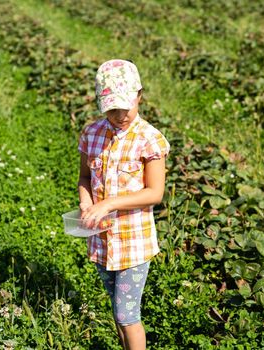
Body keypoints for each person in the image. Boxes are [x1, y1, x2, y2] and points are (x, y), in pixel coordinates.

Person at [77, 59, 170, 350]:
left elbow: (155, 193)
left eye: (125, 106)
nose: (120, 115)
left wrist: (109, 204)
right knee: (119, 312)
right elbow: (83, 177)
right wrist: (86, 202)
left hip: (133, 242)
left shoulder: (149, 139)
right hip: (102, 240)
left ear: (139, 95)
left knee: (127, 315)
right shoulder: (92, 134)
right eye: (112, 109)